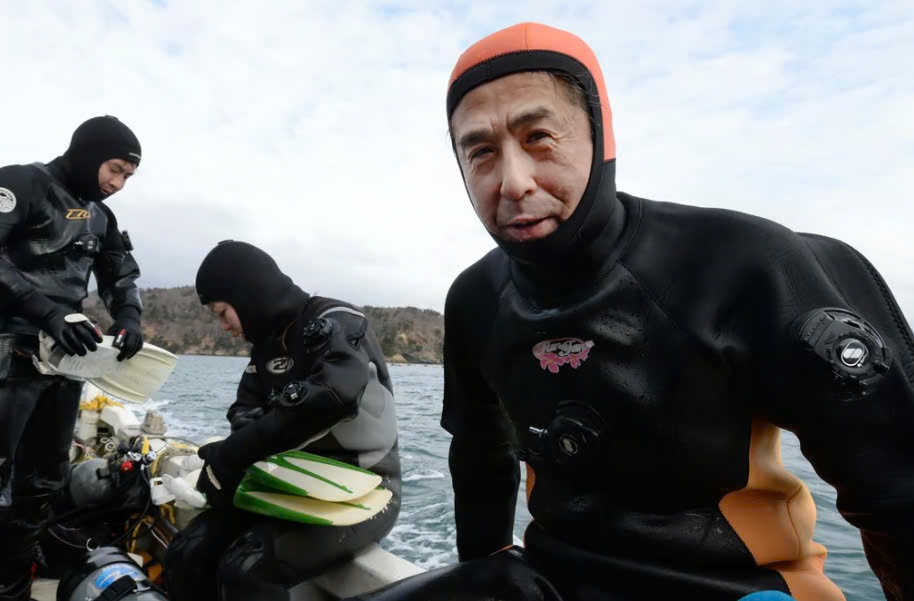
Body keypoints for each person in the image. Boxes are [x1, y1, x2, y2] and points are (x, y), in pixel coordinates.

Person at [349, 22, 914, 601]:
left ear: (600, 136)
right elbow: (480, 458)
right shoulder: (475, 300)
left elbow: (897, 488)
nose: (513, 182)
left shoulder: (735, 264)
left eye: (540, 137)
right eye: (482, 152)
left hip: (739, 586)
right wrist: (486, 575)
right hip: (554, 580)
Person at [163, 240, 402, 601]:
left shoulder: (337, 322)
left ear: (247, 295)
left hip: (367, 488)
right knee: (188, 552)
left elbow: (334, 395)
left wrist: (237, 450)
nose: (224, 326)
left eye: (222, 312)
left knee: (248, 571)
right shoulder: (266, 348)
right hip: (288, 484)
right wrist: (251, 436)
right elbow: (242, 412)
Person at [0, 115, 145, 601]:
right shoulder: (22, 183)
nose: (118, 183)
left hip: (65, 358)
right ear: (89, 153)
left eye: (127, 176)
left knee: (41, 483)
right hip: (7, 349)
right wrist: (45, 312)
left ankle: (12, 588)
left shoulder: (100, 217)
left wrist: (130, 318)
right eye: (115, 168)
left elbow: (120, 275)